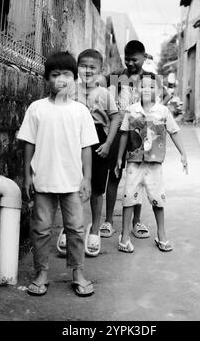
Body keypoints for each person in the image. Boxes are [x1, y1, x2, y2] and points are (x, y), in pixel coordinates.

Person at [17, 51, 98, 297]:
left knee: (75, 228)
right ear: (46, 79)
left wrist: (87, 179)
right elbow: (28, 144)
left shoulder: (80, 111)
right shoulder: (36, 109)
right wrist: (27, 176)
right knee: (41, 229)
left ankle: (77, 273)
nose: (60, 79)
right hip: (43, 181)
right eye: (54, 75)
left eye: (65, 74)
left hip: (72, 183)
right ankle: (41, 273)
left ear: (74, 78)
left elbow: (86, 148)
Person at [100, 40, 171, 240]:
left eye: (134, 60)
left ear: (144, 57)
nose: (130, 63)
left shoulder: (151, 78)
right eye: (127, 59)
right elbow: (98, 87)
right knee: (113, 176)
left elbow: (166, 96)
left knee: (138, 178)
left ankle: (136, 222)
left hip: (140, 134)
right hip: (117, 132)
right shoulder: (115, 77)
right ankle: (108, 221)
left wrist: (153, 113)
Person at [115, 72, 188, 253]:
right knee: (129, 198)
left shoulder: (163, 112)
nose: (147, 89)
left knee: (157, 199)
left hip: (154, 164)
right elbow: (124, 133)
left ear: (158, 90)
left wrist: (183, 154)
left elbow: (174, 132)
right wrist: (119, 158)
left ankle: (161, 234)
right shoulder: (131, 110)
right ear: (137, 89)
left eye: (152, 86)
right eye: (143, 86)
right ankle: (124, 237)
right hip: (134, 162)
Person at [74, 49, 120, 257]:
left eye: (92, 67)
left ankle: (94, 231)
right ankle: (72, 228)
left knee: (97, 188)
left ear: (101, 70)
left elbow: (116, 118)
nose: (87, 70)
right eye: (83, 66)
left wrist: (109, 144)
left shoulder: (104, 94)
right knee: (72, 186)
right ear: (77, 67)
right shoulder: (69, 90)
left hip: (98, 142)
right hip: (74, 142)